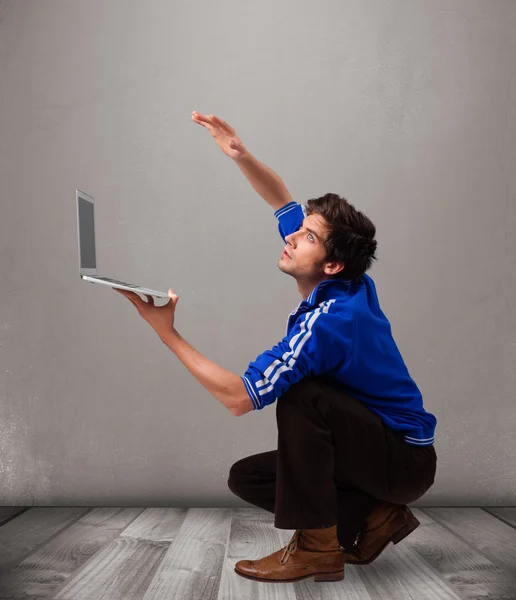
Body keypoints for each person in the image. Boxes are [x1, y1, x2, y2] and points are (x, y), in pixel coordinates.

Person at [117, 111, 437, 585]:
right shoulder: (345, 281)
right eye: (300, 228)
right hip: (377, 456)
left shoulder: (331, 321)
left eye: (307, 237)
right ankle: (376, 517)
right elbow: (280, 197)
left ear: (329, 264)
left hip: (402, 462)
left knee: (303, 398)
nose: (291, 236)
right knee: (251, 478)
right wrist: (241, 155)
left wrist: (167, 332)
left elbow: (238, 397)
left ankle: (316, 550)